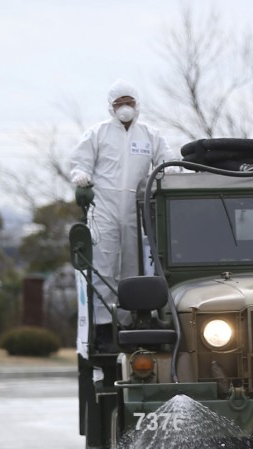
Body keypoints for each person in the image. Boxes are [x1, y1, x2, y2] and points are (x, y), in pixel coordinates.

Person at [69, 80, 176, 351]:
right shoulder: (98, 133)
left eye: (129, 102)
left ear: (137, 105)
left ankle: (131, 323)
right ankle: (104, 328)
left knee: (135, 265)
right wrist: (81, 176)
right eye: (119, 103)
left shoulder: (150, 135)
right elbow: (80, 163)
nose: (124, 108)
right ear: (111, 107)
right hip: (103, 206)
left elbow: (166, 160)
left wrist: (169, 172)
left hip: (137, 208)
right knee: (104, 266)